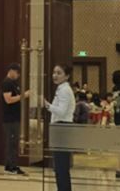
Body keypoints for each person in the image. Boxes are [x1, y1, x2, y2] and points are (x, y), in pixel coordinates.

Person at [44, 63, 76, 191]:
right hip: (60, 128)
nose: (55, 75)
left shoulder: (65, 90)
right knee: (60, 167)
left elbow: (62, 112)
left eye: (59, 73)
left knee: (61, 166)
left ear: (67, 76)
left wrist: (47, 105)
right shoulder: (61, 89)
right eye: (54, 72)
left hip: (63, 127)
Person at [1, 63, 29, 176]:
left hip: (15, 118)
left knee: (13, 143)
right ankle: (10, 166)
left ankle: (11, 165)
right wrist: (24, 95)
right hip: (10, 119)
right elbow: (8, 100)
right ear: (11, 71)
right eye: (17, 72)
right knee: (11, 143)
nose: (18, 75)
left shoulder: (14, 83)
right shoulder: (7, 83)